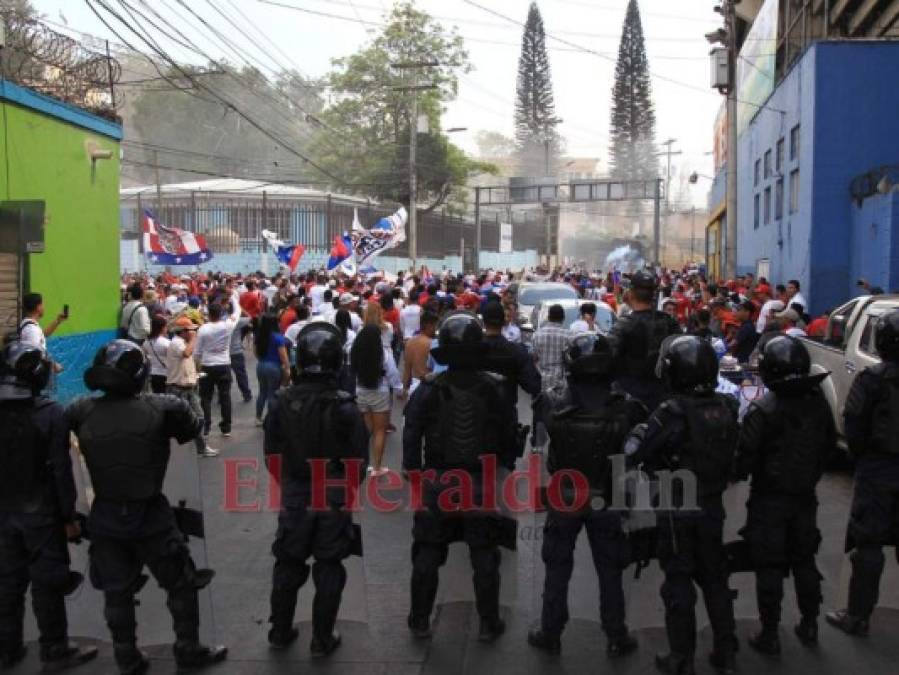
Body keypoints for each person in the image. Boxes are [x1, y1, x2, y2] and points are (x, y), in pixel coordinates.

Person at [67, 340, 227, 673]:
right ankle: (187, 648)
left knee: (117, 591)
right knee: (180, 583)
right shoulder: (161, 408)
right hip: (150, 514)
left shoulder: (81, 410)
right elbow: (192, 428)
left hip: (107, 514)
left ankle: (127, 656)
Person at [625, 336, 739, 675]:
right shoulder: (726, 406)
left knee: (677, 581)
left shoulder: (672, 412)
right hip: (712, 505)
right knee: (715, 578)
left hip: (677, 508)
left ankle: (681, 658)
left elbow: (638, 453)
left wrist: (638, 431)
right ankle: (726, 651)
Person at [527, 334, 647, 657]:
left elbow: (538, 445)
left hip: (566, 495)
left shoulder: (551, 402)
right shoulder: (627, 406)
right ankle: (616, 633)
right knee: (610, 570)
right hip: (607, 497)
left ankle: (551, 632)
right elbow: (637, 452)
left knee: (557, 567)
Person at [402, 312, 518, 642]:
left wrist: (414, 474)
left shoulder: (428, 389)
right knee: (484, 554)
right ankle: (488, 621)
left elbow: (412, 434)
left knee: (427, 552)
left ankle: (420, 619)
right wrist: (502, 469)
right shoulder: (495, 388)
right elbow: (509, 434)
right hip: (480, 481)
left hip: (438, 480)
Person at [263, 323, 368, 656]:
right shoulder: (345, 406)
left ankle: (280, 631)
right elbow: (358, 464)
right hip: (332, 494)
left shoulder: (280, 401)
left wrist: (292, 486)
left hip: (296, 492)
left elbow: (271, 455)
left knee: (288, 564)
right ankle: (322, 639)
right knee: (329, 566)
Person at [734, 336, 835, 654]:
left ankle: (769, 633)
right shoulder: (816, 400)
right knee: (805, 560)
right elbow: (829, 446)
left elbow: (743, 460)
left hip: (769, 499)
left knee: (770, 565)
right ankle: (809, 623)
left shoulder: (762, 410)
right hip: (805, 496)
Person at [0, 343, 97, 671]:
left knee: (7, 582)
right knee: (47, 582)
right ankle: (54, 648)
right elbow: (60, 469)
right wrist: (68, 516)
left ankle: (7, 648)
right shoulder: (50, 413)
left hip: (4, 512)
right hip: (40, 513)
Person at [827, 309, 899, 636]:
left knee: (868, 545)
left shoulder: (872, 380)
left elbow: (853, 425)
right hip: (879, 464)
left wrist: (864, 458)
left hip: (879, 469)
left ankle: (857, 616)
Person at [608, 271, 681, 411]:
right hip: (664, 401)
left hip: (631, 402)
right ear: (654, 295)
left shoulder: (623, 325)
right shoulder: (669, 322)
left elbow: (607, 357)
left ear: (631, 294)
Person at [350, 325, 402, 476]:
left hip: (361, 391)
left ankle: (365, 464)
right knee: (380, 431)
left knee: (367, 431)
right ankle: (377, 467)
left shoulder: (355, 352)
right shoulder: (383, 354)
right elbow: (392, 373)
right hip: (380, 392)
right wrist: (398, 389)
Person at [166, 317, 219, 458]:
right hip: (178, 389)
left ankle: (201, 446)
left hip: (188, 387)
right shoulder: (177, 343)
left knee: (198, 417)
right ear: (184, 331)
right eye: (191, 330)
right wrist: (194, 339)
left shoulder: (183, 342)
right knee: (181, 421)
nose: (194, 332)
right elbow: (186, 353)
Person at [195, 300, 241, 437]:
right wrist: (233, 298)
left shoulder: (203, 329)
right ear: (221, 313)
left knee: (205, 397)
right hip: (224, 364)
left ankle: (206, 426)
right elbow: (237, 312)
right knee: (225, 396)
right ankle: (226, 426)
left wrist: (196, 367)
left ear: (209, 314)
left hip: (207, 365)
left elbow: (197, 352)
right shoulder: (227, 326)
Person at [253, 313, 291, 426]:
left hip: (261, 365)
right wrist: (287, 368)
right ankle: (271, 418)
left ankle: (258, 417)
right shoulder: (278, 338)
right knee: (272, 393)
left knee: (262, 392)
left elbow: (255, 352)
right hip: (274, 367)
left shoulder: (259, 336)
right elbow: (283, 356)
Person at [532, 304, 571, 392]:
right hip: (560, 382)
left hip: (541, 380)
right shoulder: (568, 335)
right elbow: (568, 360)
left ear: (548, 317)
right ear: (563, 318)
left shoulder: (537, 334)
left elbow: (534, 358)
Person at [401, 310, 438, 398]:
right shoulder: (433, 343)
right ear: (429, 325)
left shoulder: (409, 343)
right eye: (435, 326)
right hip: (428, 387)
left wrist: (404, 388)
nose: (436, 329)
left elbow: (407, 369)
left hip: (414, 387)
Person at [142, 315, 171, 394]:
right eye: (165, 327)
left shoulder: (146, 342)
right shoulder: (167, 343)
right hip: (165, 373)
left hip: (153, 373)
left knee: (157, 394)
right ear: (162, 328)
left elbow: (145, 357)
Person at [229, 313, 253, 404]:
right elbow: (251, 317)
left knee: (223, 378)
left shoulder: (219, 320)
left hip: (222, 353)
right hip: (236, 352)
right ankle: (246, 394)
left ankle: (222, 396)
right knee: (241, 375)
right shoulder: (236, 321)